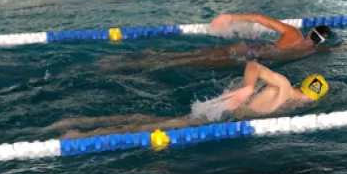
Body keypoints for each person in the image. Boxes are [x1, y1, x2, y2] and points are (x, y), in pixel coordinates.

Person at [44, 62, 332, 138]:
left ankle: (82, 123)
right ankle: (80, 131)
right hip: (224, 116)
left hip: (226, 116)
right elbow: (254, 65)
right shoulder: (282, 86)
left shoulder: (290, 98)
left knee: (153, 123)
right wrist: (247, 88)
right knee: (158, 126)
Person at [100, 14, 334, 72]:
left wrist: (230, 17)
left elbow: (259, 18)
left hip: (242, 50)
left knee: (188, 56)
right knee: (189, 63)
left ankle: (138, 58)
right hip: (245, 59)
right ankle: (139, 64)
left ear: (310, 30)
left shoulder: (293, 33)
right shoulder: (311, 53)